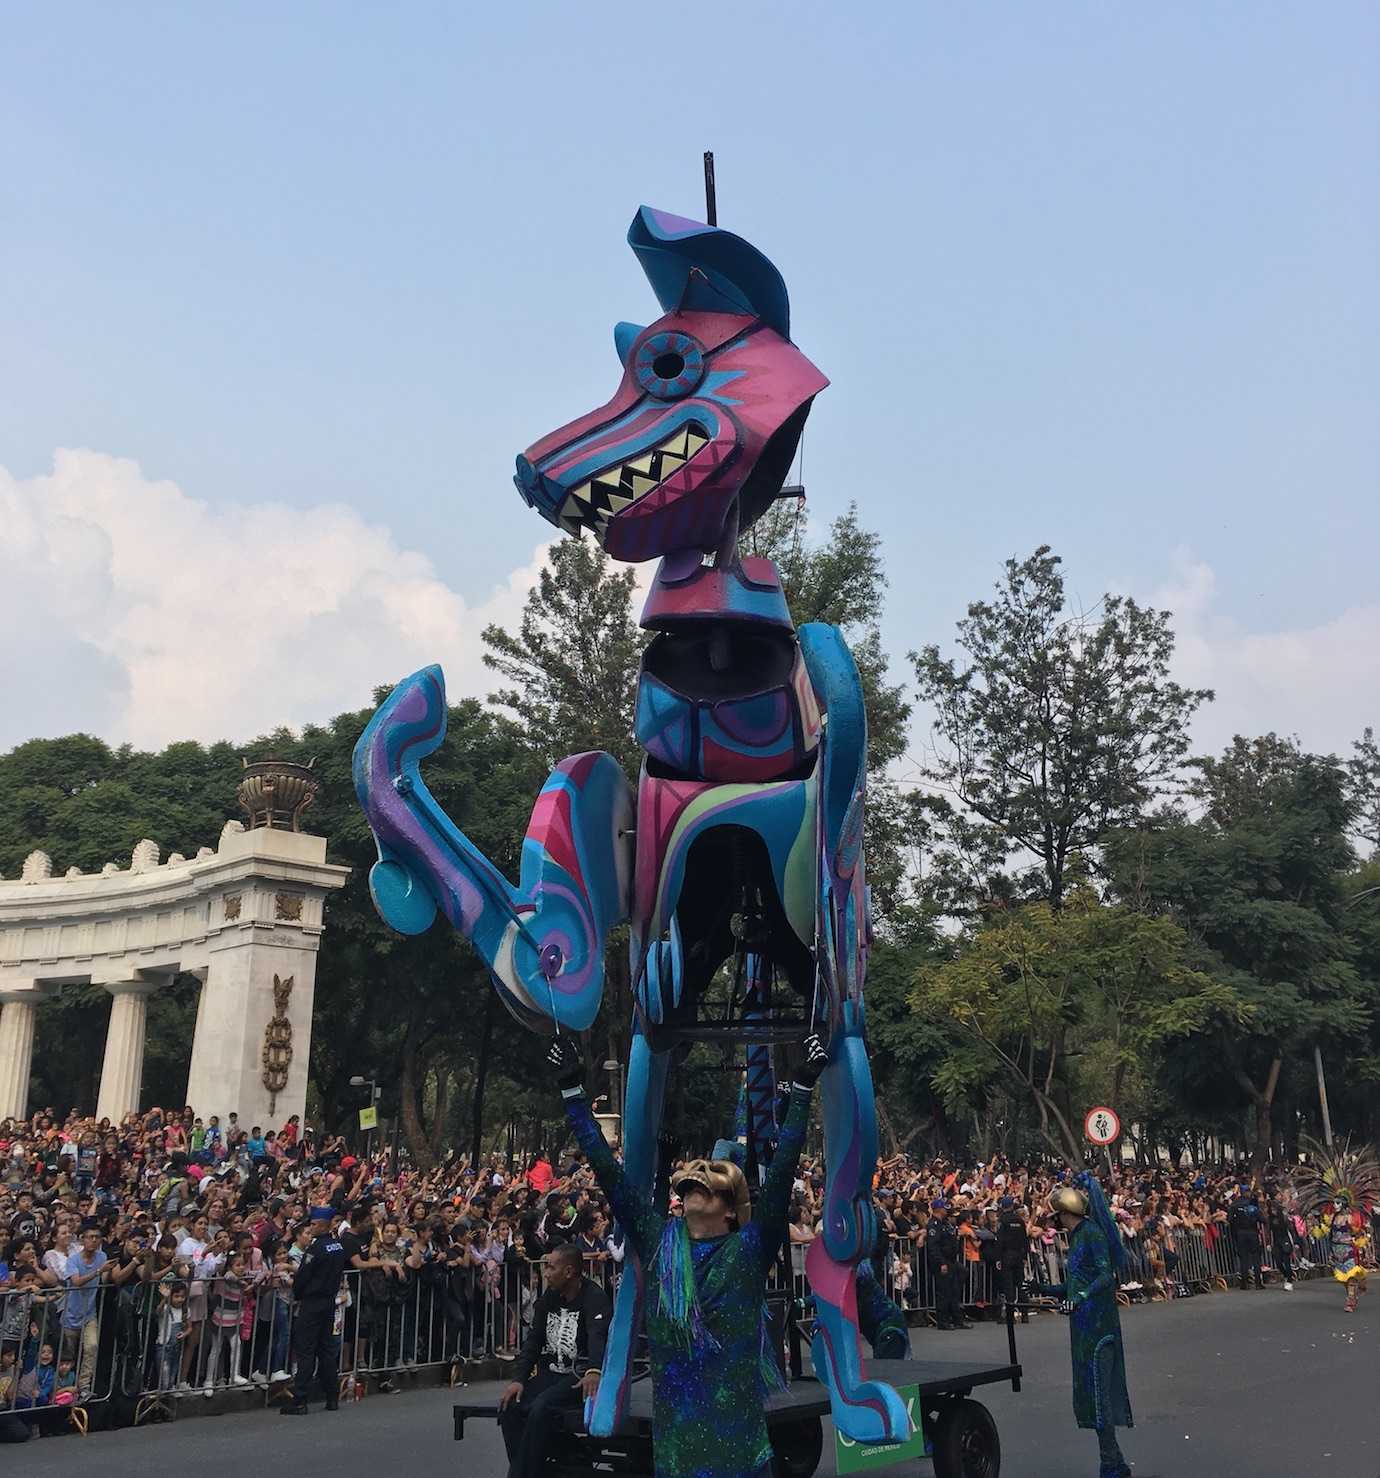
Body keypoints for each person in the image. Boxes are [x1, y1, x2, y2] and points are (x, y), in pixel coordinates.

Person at [548, 1031, 827, 1478]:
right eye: (692, 1180)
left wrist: (802, 1089)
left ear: (732, 1211)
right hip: (678, 1457)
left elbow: (780, 1177)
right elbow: (607, 1170)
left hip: (743, 1454)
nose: (698, 1181)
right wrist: (572, 1092)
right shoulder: (661, 1243)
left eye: (711, 1182)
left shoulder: (749, 1251)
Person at [1037, 1175, 1134, 1478]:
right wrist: (1043, 1289)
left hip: (1099, 1324)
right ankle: (1114, 1461)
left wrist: (1081, 1296)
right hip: (1081, 1327)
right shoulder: (1076, 1237)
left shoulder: (1092, 1233)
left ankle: (1111, 1463)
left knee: (1099, 1397)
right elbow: (1073, 1283)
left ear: (1066, 1213)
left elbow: (1106, 1276)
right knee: (1092, 1398)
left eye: (1057, 1216)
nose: (1056, 1221)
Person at [498, 1244, 611, 1478]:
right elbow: (534, 1340)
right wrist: (518, 1379)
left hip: (576, 1375)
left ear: (569, 1272)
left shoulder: (594, 1297)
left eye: (550, 1267)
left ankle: (519, 1474)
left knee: (541, 1408)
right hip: (549, 1373)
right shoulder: (550, 1296)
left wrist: (594, 1370)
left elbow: (598, 1336)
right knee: (510, 1406)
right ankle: (530, 1469)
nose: (545, 1273)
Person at [279, 1207, 346, 1415]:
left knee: (306, 1351)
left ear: (324, 1225)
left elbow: (303, 1277)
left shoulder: (315, 1249)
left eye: (315, 1224)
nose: (312, 1227)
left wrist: (298, 1293)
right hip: (329, 1302)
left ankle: (300, 1400)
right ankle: (332, 1397)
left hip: (313, 1303)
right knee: (326, 1351)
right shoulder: (338, 1246)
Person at [926, 1200, 968, 1330]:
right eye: (944, 1208)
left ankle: (957, 1320)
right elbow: (933, 1246)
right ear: (938, 1209)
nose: (946, 1210)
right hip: (942, 1262)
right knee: (944, 1293)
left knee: (954, 1291)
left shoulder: (945, 1223)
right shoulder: (933, 1224)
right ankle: (943, 1321)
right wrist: (941, 1262)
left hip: (951, 1260)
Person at [996, 1195, 1031, 1322]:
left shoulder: (1002, 1220)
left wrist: (998, 1258)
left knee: (1008, 1285)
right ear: (1012, 1205)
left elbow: (999, 1240)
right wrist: (1025, 1256)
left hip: (1007, 1255)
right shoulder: (1019, 1220)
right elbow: (1025, 1239)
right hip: (1019, 1255)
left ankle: (1010, 1316)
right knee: (1020, 1284)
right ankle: (1025, 1313)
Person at [1227, 1187, 1264, 1290]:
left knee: (1244, 1259)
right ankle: (1258, 1283)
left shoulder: (1234, 1204)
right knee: (1256, 1258)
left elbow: (1230, 1219)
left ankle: (1244, 1283)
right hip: (1252, 1232)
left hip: (1240, 1233)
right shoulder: (1252, 1204)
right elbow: (1261, 1218)